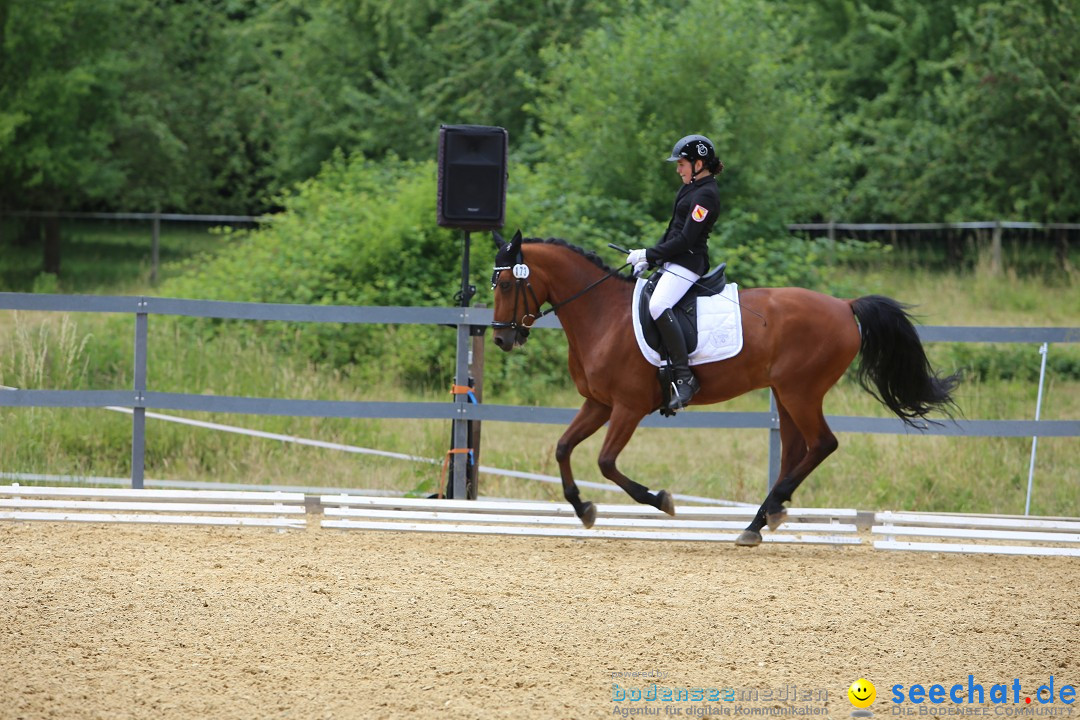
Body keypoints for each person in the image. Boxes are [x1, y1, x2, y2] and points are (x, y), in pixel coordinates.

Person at [626, 134, 723, 412]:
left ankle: (685, 377)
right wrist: (653, 259)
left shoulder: (706, 194)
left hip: (689, 263)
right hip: (674, 261)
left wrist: (649, 253)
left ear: (699, 163)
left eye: (681, 164)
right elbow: (673, 232)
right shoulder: (691, 187)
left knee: (658, 304)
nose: (678, 169)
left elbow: (686, 240)